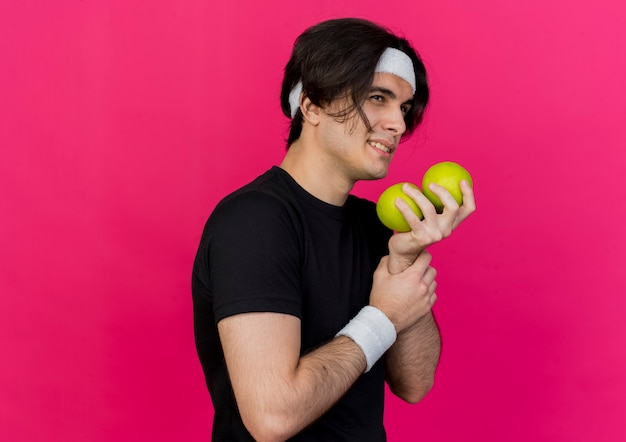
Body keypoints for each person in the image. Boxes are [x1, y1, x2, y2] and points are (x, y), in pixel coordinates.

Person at [192, 18, 475, 441]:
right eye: (378, 97)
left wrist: (406, 259)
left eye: (403, 107)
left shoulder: (376, 225)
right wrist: (383, 316)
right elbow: (273, 417)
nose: (397, 124)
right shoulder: (254, 222)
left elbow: (414, 384)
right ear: (311, 105)